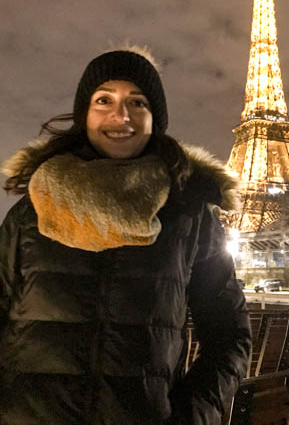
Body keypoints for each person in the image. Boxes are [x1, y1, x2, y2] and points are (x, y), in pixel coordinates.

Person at [0, 47, 251, 425]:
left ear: (155, 119)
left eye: (138, 102)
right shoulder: (31, 212)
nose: (121, 115)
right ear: (84, 114)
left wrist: (189, 417)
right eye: (104, 100)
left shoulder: (188, 216)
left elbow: (229, 336)